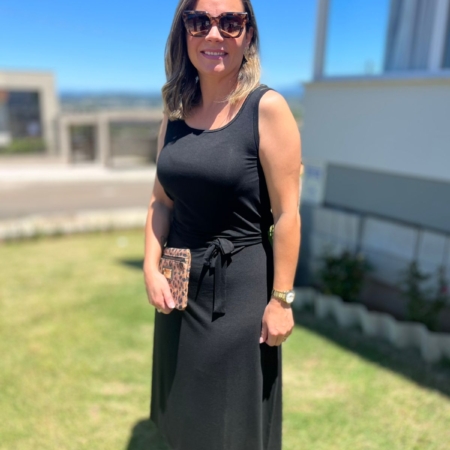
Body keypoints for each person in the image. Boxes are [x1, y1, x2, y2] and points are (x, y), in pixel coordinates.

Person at [143, 0, 301, 448]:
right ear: (184, 33)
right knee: (183, 413)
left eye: (230, 22)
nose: (214, 35)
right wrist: (150, 267)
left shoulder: (266, 108)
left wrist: (282, 300)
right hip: (177, 286)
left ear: (248, 35)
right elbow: (160, 202)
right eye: (200, 22)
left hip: (237, 295)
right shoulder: (174, 112)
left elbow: (288, 214)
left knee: (229, 423)